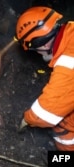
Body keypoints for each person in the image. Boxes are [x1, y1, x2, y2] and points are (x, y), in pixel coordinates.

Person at [15, 6, 74, 151]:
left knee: (63, 124)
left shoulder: (68, 63)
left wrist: (26, 119)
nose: (38, 54)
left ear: (44, 43)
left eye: (35, 50)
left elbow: (45, 114)